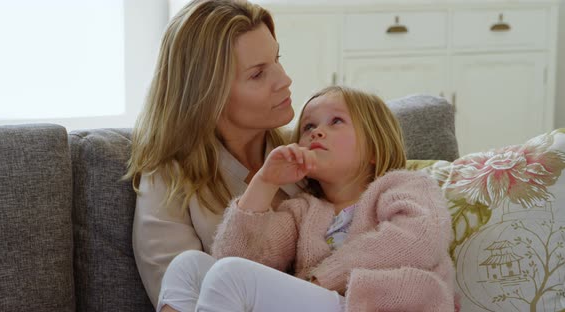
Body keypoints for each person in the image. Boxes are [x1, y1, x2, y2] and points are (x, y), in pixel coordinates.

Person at [158, 86, 458, 312]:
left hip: (376, 305)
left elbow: (417, 241)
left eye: (336, 121)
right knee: (189, 266)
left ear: (375, 149)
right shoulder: (303, 210)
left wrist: (322, 279)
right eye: (309, 127)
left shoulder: (404, 186)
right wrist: (265, 181)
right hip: (322, 302)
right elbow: (234, 258)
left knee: (230, 275)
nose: (317, 133)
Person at [125, 0, 301, 307]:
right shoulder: (168, 183)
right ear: (207, 94)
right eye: (258, 74)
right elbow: (183, 300)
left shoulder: (308, 149)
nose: (285, 80)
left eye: (277, 59)